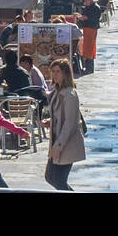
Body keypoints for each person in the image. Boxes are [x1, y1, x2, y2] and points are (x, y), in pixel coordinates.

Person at [46, 58, 86, 190]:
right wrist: (50, 122)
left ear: (65, 73)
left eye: (58, 71)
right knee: (50, 177)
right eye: (53, 71)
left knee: (57, 180)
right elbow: (60, 116)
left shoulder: (69, 94)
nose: (55, 74)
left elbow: (70, 122)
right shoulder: (57, 91)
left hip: (65, 143)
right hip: (57, 140)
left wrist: (58, 145)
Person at [76, 0, 101, 74]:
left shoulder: (94, 8)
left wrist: (80, 17)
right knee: (88, 47)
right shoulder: (89, 7)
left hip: (91, 29)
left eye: (87, 0)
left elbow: (88, 17)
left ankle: (89, 68)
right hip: (88, 29)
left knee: (89, 47)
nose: (85, 2)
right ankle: (88, 67)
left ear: (91, 0)